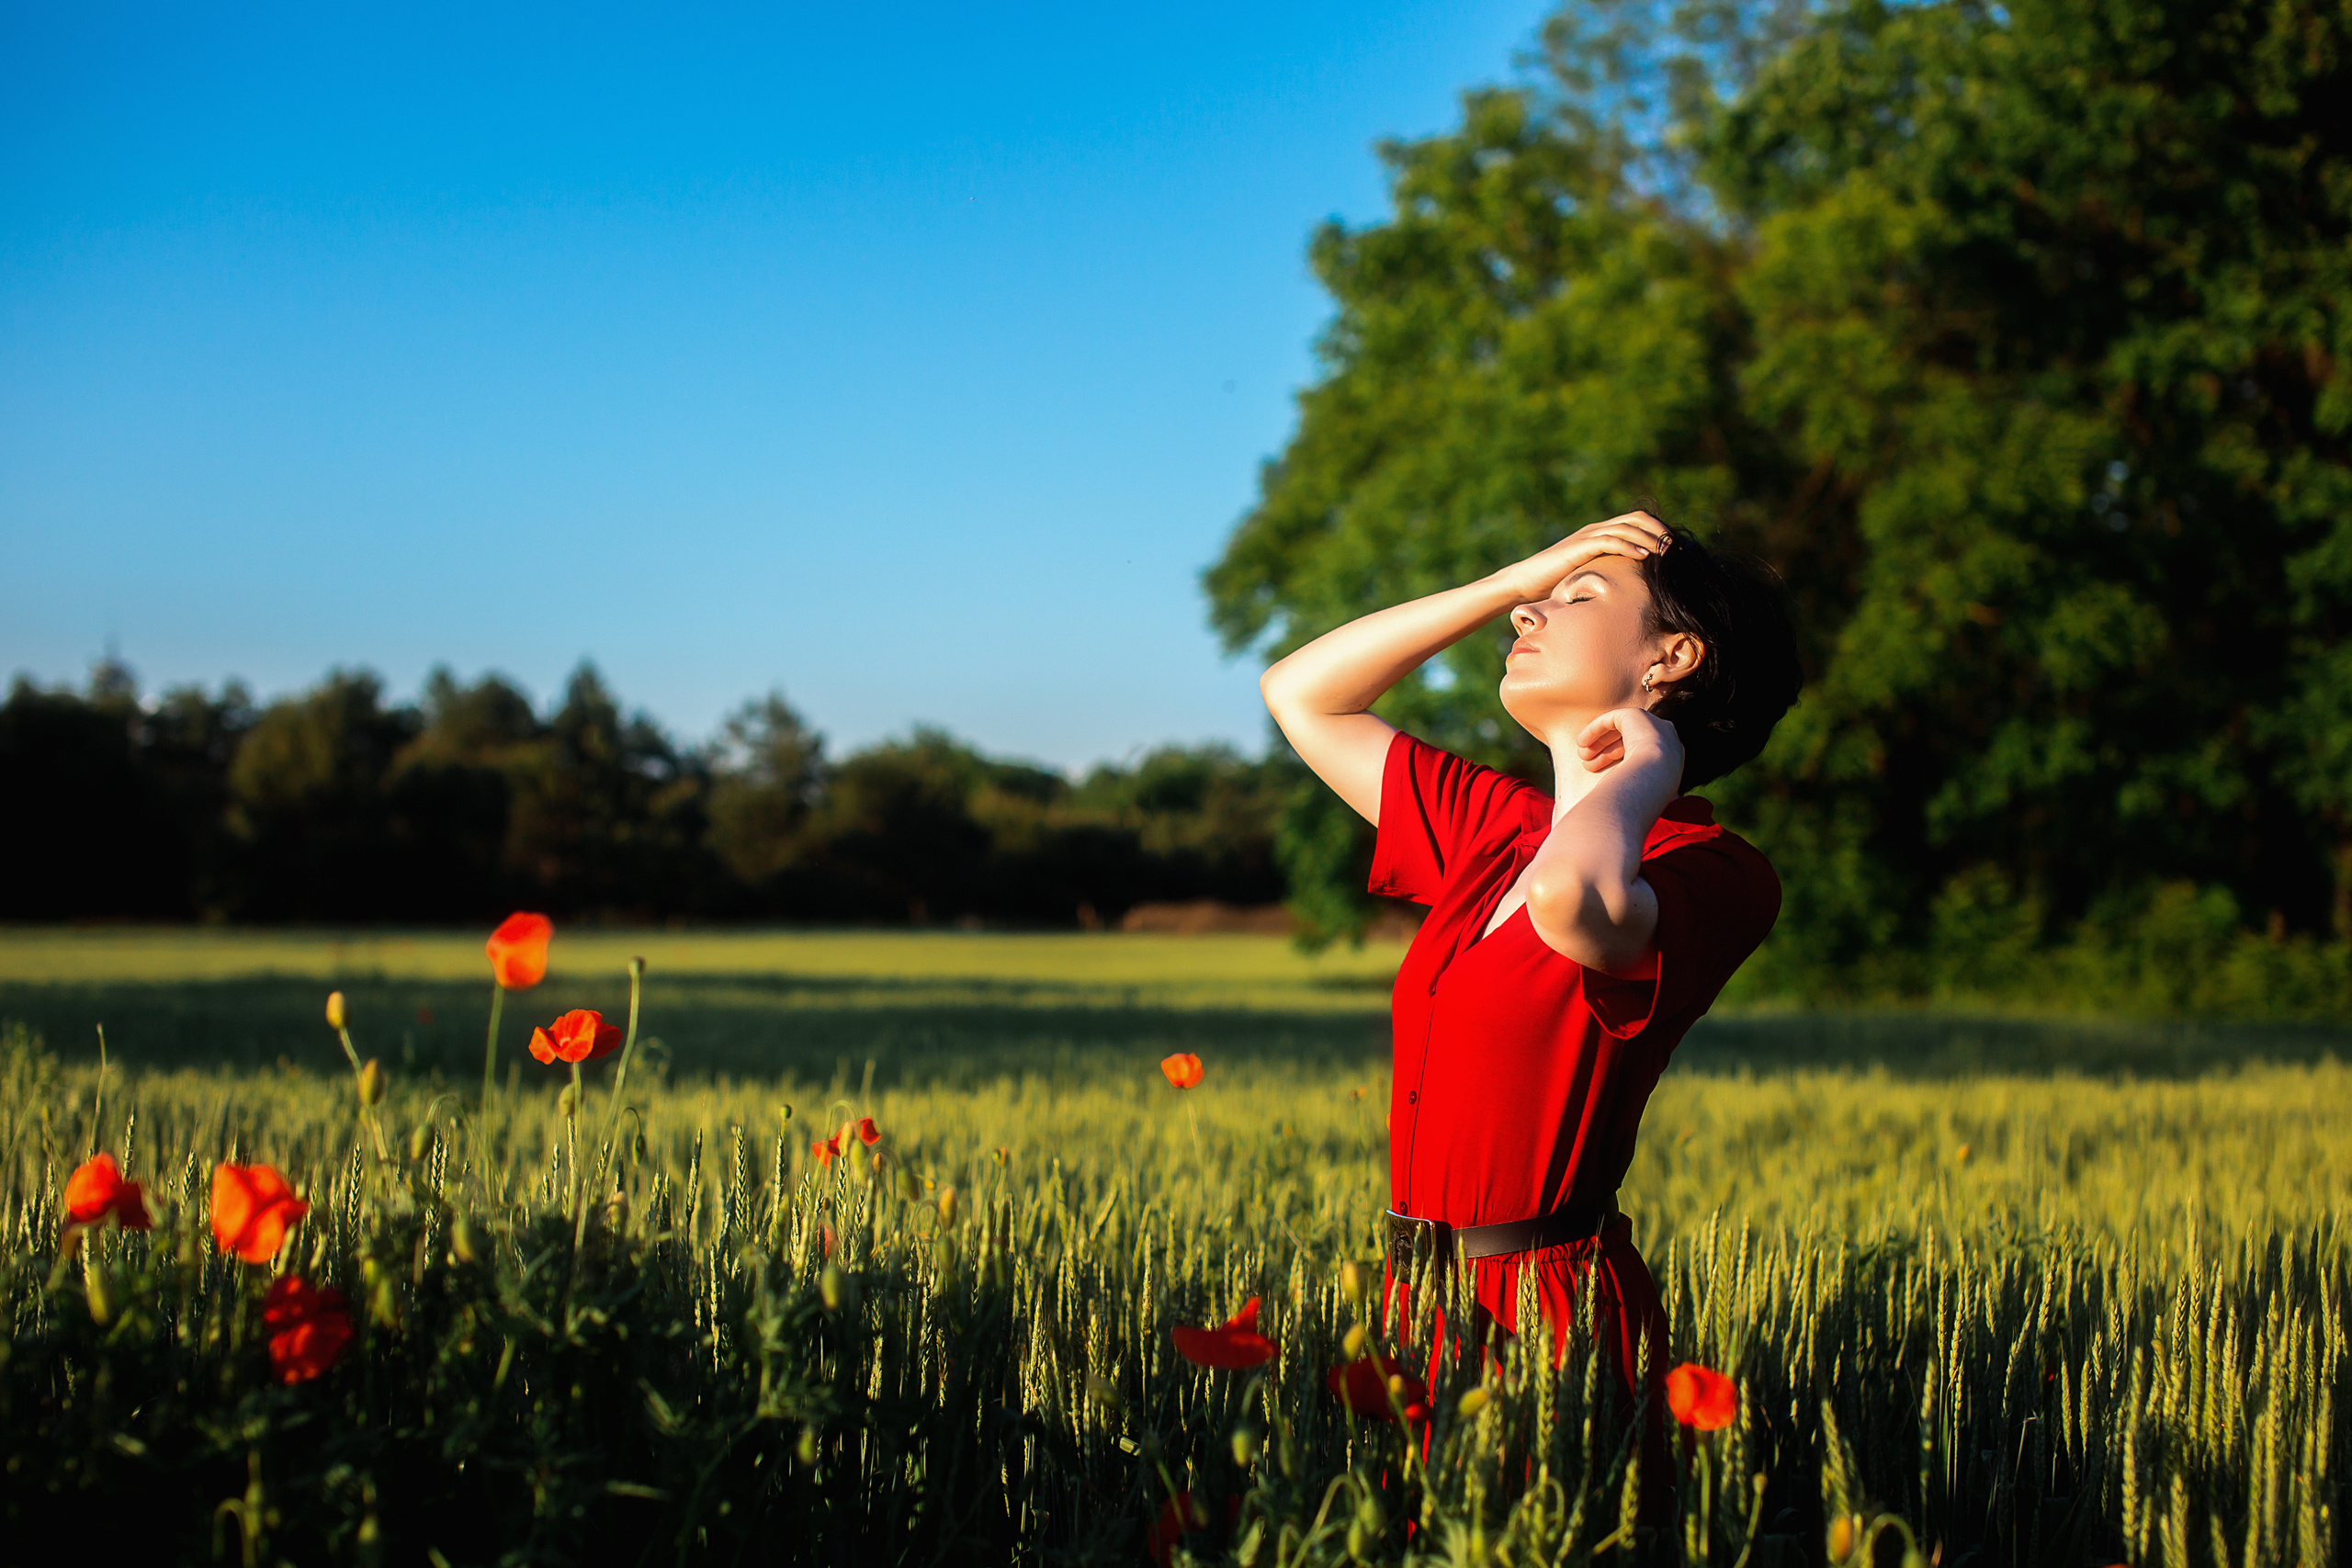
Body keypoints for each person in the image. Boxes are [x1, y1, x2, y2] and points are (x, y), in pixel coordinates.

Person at [1259, 509, 1803, 1471]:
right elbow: (1301, 693)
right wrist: (1516, 577)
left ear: (1672, 657)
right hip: (1412, 1304)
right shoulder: (1493, 830)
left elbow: (1575, 903)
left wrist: (1646, 770)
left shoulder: (1714, 871)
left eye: (1579, 597)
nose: (1528, 615)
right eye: (1536, 600)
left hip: (1548, 1314)